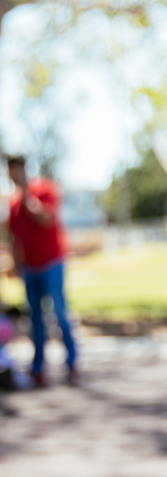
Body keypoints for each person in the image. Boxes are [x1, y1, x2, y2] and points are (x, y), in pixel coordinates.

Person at [6, 155, 78, 388]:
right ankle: (38, 369)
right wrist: (16, 265)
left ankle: (72, 363)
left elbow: (46, 218)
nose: (15, 175)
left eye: (18, 170)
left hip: (52, 263)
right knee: (34, 319)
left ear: (25, 170)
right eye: (11, 171)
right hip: (30, 268)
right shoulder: (12, 203)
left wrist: (28, 198)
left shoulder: (45, 190)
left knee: (59, 313)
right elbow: (14, 238)